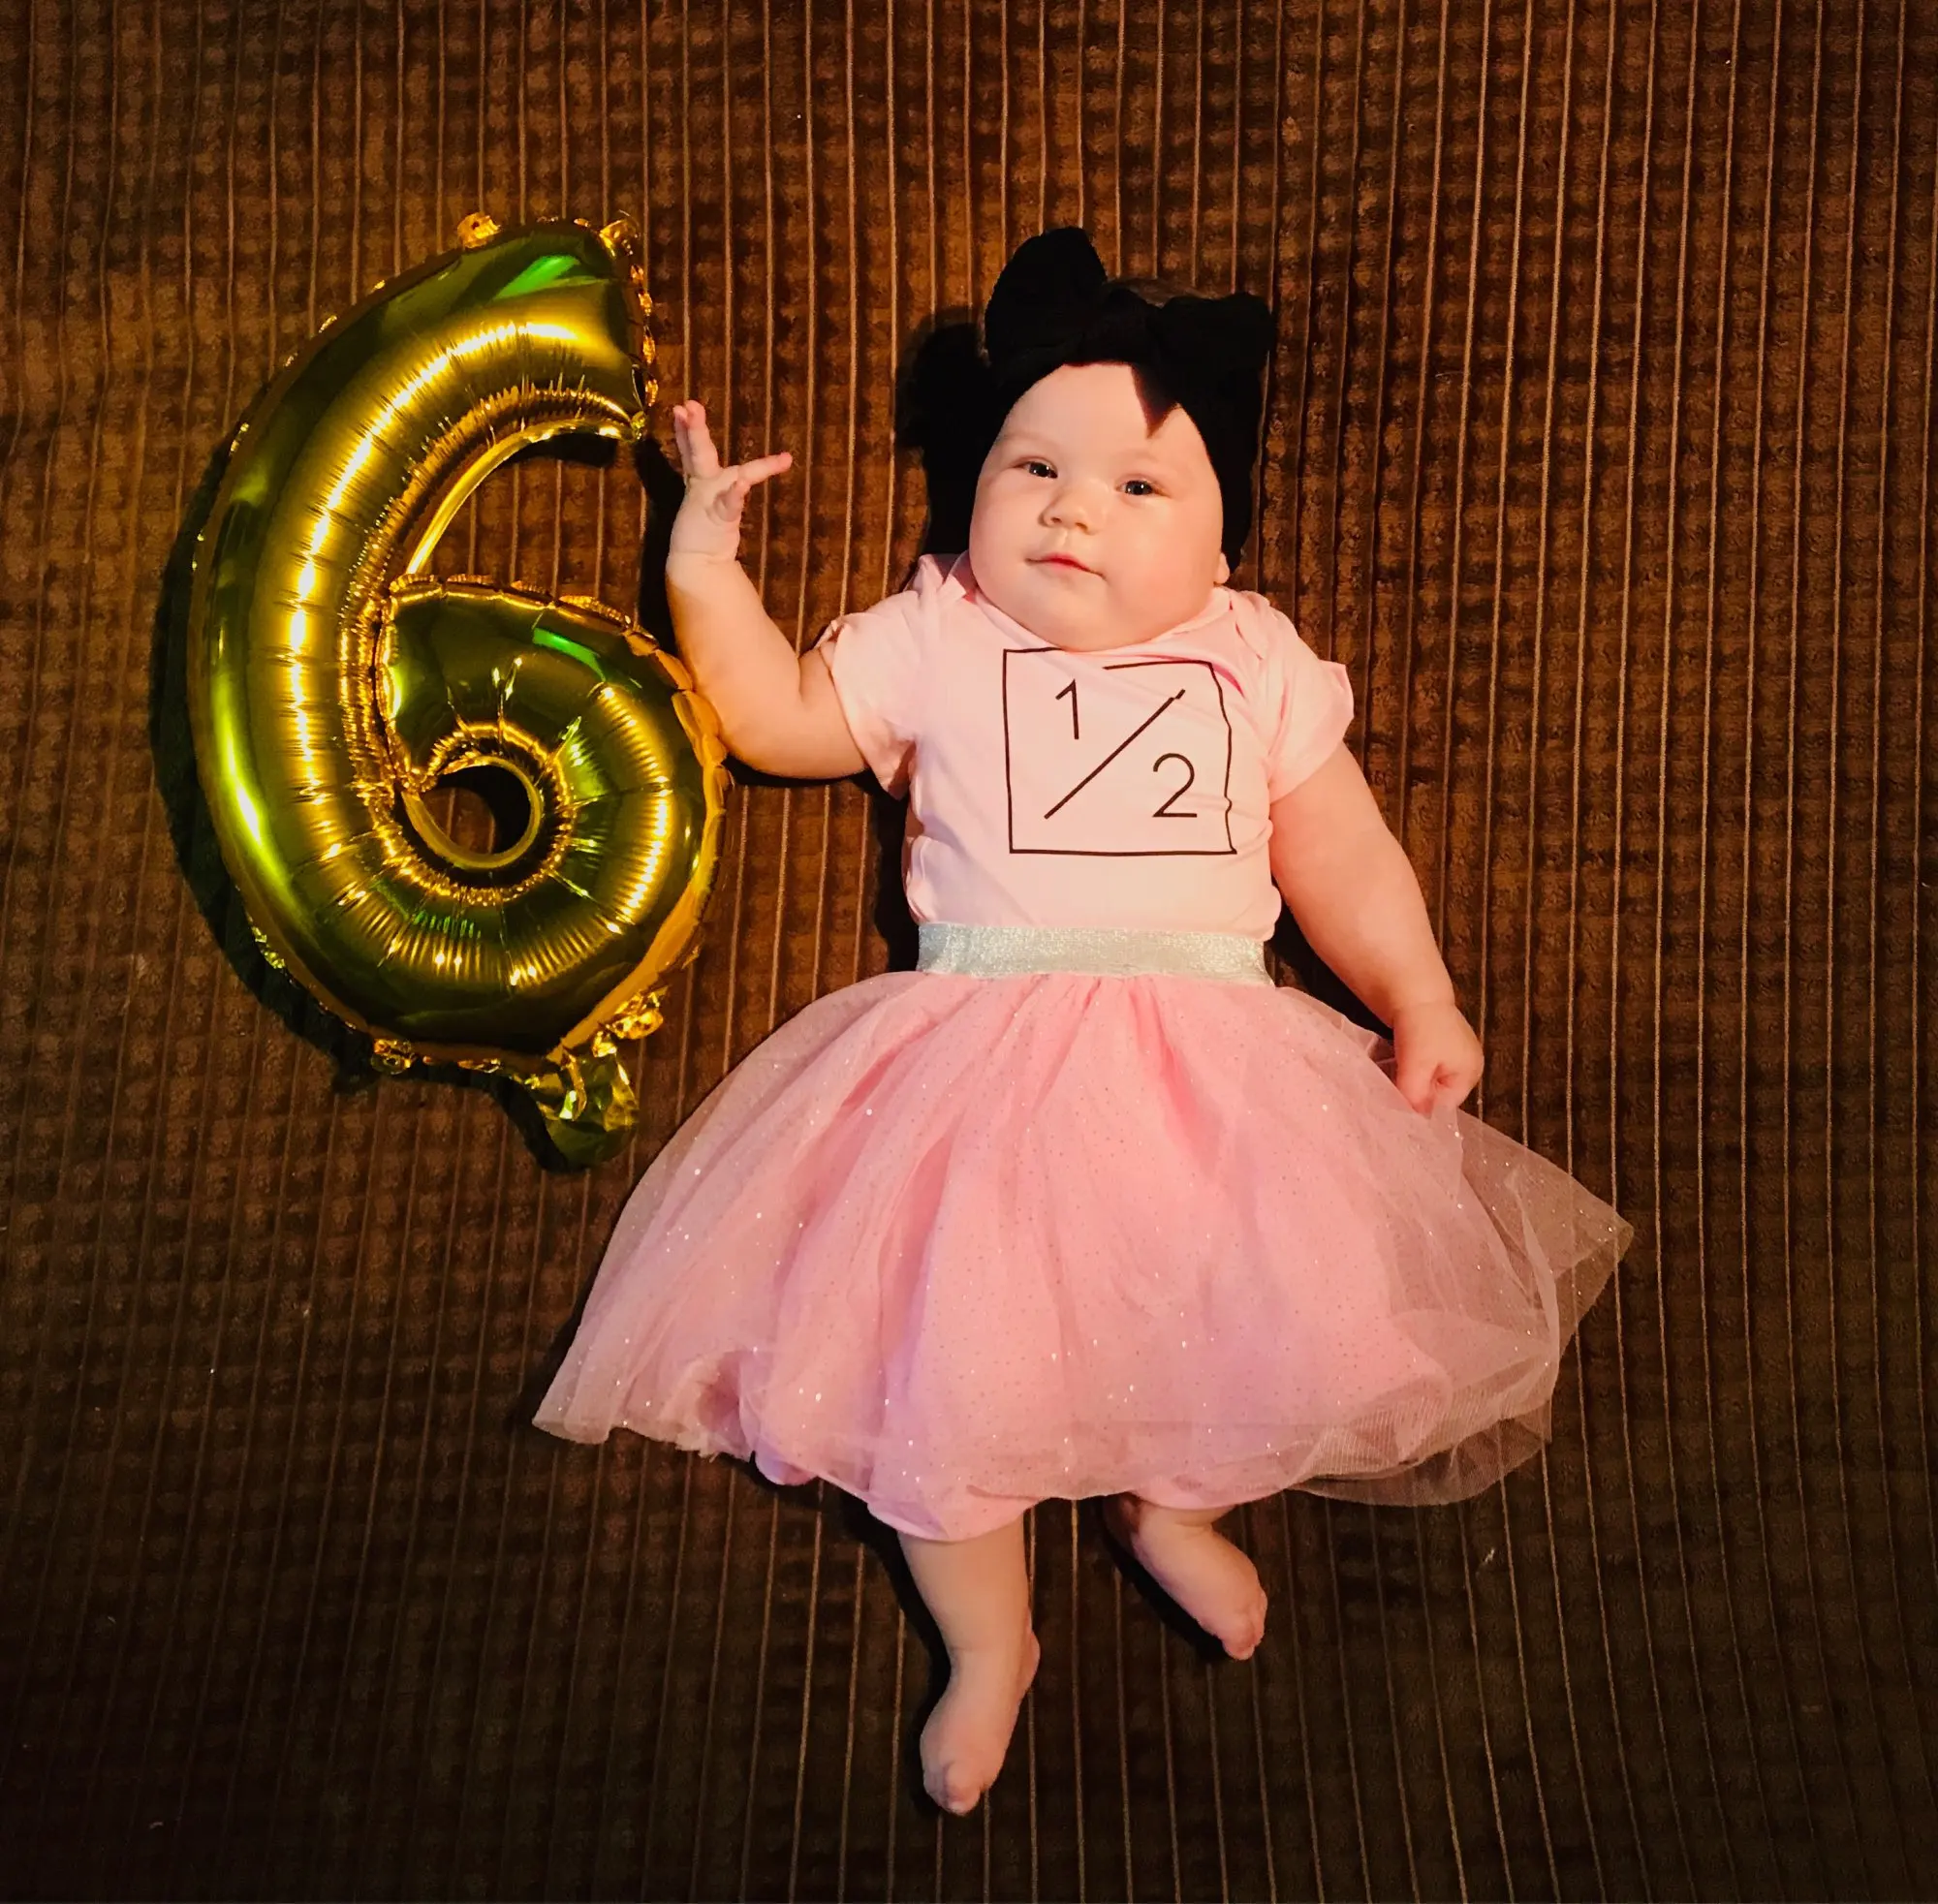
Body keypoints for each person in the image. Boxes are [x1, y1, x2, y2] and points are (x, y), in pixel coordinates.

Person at [535, 228, 1632, 1816]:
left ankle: (1173, 1510)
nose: (1069, 510)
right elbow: (775, 723)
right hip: (974, 1074)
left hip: (1219, 1078)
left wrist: (1418, 991)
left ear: (1223, 542)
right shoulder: (938, 632)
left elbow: (1338, 851)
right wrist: (704, 565)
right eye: (1033, 466)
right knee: (937, 1385)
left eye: (1137, 485)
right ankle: (988, 1638)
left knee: (1254, 1322)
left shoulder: (1251, 657)